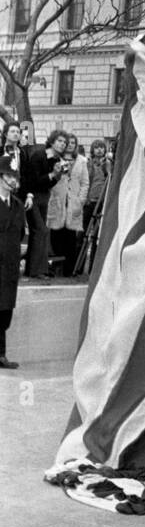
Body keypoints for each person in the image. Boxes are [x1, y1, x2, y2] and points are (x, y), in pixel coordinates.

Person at [21, 130, 68, 278]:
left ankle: (33, 269)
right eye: (60, 141)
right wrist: (53, 174)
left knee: (37, 232)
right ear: (52, 141)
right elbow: (33, 181)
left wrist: (57, 175)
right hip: (31, 196)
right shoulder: (39, 155)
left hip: (43, 196)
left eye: (64, 142)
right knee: (41, 230)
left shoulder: (56, 160)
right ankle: (39, 270)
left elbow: (49, 184)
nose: (63, 144)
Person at [0, 155, 27, 368]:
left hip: (9, 265)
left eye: (15, 177)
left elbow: (19, 236)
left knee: (5, 311)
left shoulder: (18, 205)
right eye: (9, 176)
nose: (13, 181)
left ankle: (1, 354)